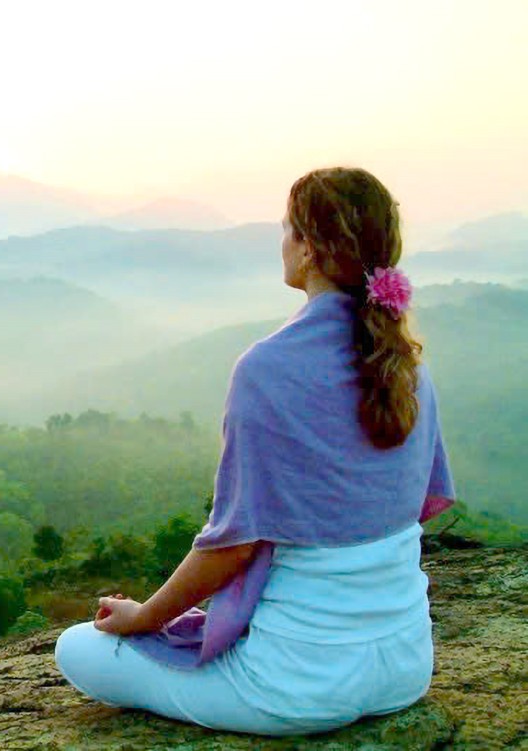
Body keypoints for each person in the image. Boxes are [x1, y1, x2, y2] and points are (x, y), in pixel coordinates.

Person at [53, 167, 456, 736]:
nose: (283, 242)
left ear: (311, 249)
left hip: (294, 687)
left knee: (78, 648)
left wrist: (145, 616)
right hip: (405, 669)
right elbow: (412, 505)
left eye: (288, 229)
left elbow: (231, 548)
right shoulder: (408, 365)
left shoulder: (267, 369)